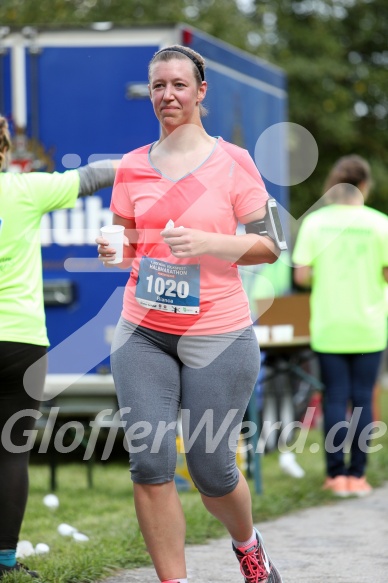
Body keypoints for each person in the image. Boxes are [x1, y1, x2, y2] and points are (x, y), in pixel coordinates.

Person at [97, 45, 284, 583]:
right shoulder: (131, 165)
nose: (167, 95)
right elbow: (128, 244)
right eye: (158, 86)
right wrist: (116, 251)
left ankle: (249, 547)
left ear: (201, 93)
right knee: (150, 463)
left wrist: (209, 240)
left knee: (211, 469)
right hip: (144, 331)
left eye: (179, 85)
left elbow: (270, 245)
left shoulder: (234, 163)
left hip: (218, 333)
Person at [0, 114, 117, 579]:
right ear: (5, 150)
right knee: (11, 452)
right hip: (22, 341)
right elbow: (94, 176)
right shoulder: (25, 190)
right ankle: (4, 561)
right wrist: (154, 160)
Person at [292, 154, 388, 497]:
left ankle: (335, 477)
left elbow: (301, 276)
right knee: (362, 399)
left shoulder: (316, 224)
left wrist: (327, 273)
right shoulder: (380, 223)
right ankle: (358, 476)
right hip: (369, 326)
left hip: (330, 325)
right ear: (364, 185)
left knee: (334, 400)